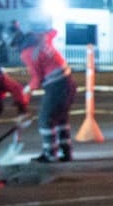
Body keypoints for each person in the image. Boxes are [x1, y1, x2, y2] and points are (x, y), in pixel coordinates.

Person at [20, 28, 76, 162]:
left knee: (46, 120)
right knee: (61, 118)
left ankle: (50, 154)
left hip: (55, 86)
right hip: (69, 83)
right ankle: (66, 152)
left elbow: (36, 79)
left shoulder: (27, 53)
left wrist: (27, 90)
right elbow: (54, 31)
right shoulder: (43, 39)